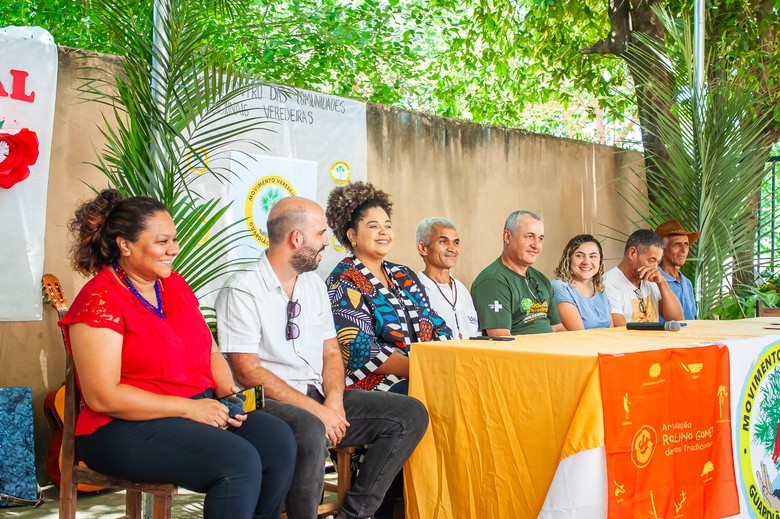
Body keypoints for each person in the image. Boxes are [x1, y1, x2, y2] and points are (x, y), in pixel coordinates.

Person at [58, 189, 296, 519]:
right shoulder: (100, 299)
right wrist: (188, 409)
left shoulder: (173, 285)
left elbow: (209, 349)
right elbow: (103, 396)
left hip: (195, 408)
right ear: (125, 245)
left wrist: (227, 390)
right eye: (162, 242)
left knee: (277, 441)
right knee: (236, 461)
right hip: (118, 427)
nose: (174, 249)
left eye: (174, 239)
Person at [215, 196, 429, 519]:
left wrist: (334, 401)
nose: (327, 242)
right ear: (296, 239)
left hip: (316, 396)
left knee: (410, 414)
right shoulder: (242, 290)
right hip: (255, 400)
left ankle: (354, 514)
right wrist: (319, 411)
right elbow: (247, 373)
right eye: (320, 234)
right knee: (311, 428)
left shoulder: (313, 285)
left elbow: (331, 351)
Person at [325, 182, 451, 394]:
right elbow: (359, 349)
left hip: (423, 372)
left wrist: (444, 363)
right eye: (373, 226)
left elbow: (435, 323)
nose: (383, 232)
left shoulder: (404, 275)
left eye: (388, 225)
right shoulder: (342, 279)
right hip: (374, 385)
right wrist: (420, 370)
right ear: (352, 235)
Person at [471, 210, 564, 335]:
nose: (536, 245)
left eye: (540, 238)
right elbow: (501, 339)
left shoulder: (541, 279)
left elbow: (558, 329)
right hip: (524, 354)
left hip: (551, 351)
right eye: (529, 236)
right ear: (507, 237)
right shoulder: (493, 282)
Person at [415, 216, 479, 339]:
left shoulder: (461, 289)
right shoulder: (415, 292)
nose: (452, 249)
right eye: (443, 241)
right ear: (423, 248)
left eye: (456, 242)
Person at [604, 229, 684, 326]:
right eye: (652, 260)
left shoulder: (652, 280)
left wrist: (662, 282)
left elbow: (677, 320)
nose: (655, 268)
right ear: (632, 253)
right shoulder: (609, 283)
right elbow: (620, 330)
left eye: (658, 262)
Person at [551, 234, 613, 330]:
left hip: (607, 343)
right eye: (579, 256)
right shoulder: (560, 287)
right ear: (568, 259)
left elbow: (611, 329)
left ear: (600, 261)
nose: (586, 262)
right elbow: (578, 333)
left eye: (593, 256)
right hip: (582, 343)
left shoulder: (599, 288)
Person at [656, 219, 699, 320]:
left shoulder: (687, 283)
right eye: (677, 244)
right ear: (662, 250)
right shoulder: (653, 281)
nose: (683, 250)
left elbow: (692, 318)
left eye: (686, 244)